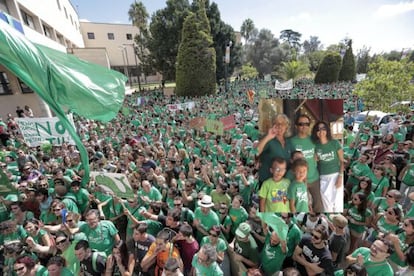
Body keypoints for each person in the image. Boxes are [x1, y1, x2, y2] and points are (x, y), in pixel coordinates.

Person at [288, 114, 324, 213]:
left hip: (314, 178)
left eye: (307, 124)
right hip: (298, 180)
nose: (304, 126)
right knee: (299, 207)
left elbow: (319, 153)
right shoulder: (291, 142)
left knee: (318, 207)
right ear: (296, 126)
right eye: (301, 124)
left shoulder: (314, 140)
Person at [312, 121, 345, 212]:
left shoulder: (334, 143)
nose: (321, 131)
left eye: (323, 129)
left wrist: (340, 176)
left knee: (337, 204)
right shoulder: (315, 145)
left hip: (335, 175)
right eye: (318, 129)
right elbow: (315, 160)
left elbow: (342, 161)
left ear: (327, 130)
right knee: (327, 204)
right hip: (323, 177)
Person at [257, 113, 291, 186]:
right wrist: (268, 137)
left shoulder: (289, 142)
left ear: (287, 127)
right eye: (277, 123)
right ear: (273, 125)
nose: (280, 126)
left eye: (283, 124)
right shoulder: (268, 139)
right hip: (266, 182)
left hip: (282, 183)